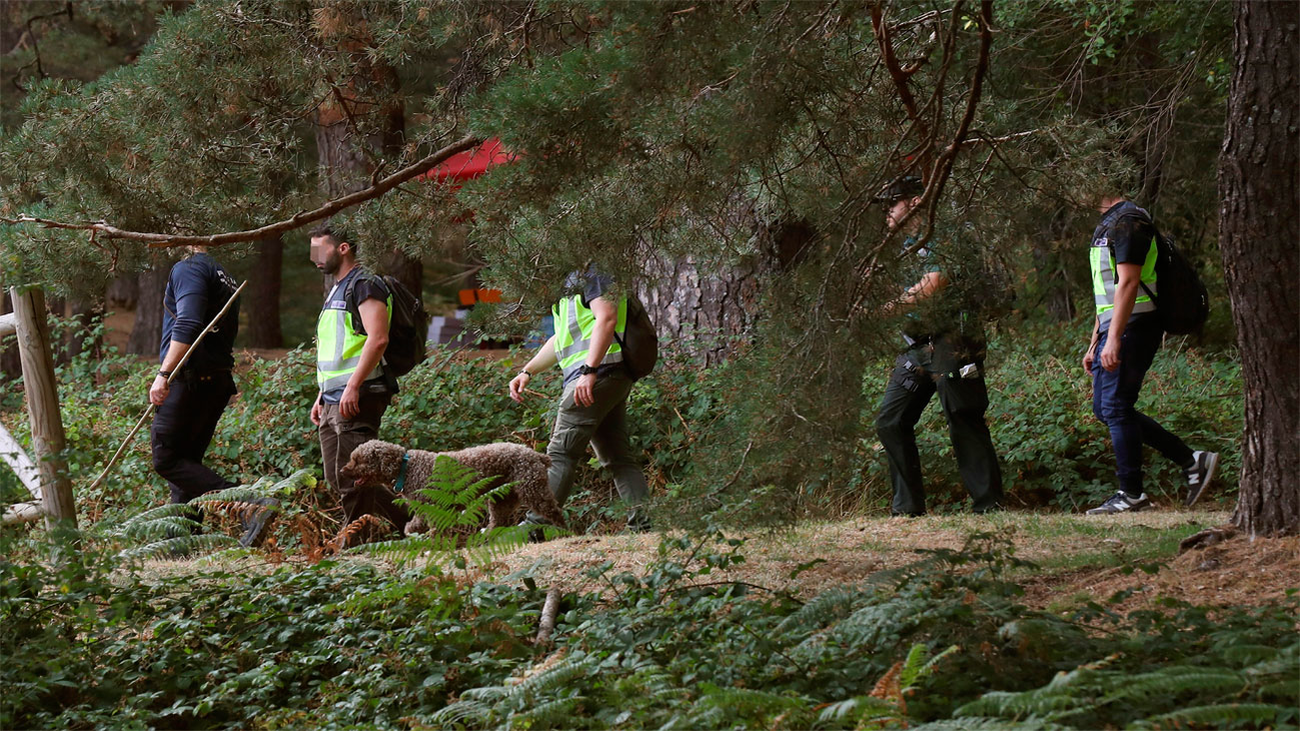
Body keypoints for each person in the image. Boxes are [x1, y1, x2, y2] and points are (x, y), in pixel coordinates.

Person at [872, 177, 1003, 516]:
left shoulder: (946, 233)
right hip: (917, 345)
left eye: (892, 202)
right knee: (891, 420)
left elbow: (934, 284)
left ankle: (988, 506)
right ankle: (907, 508)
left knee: (962, 417)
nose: (886, 210)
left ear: (914, 202)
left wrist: (883, 310)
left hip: (953, 342)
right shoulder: (908, 244)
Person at [1083, 195, 1218, 515]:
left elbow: (1129, 284)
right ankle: (1191, 460)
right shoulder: (1108, 224)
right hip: (1114, 328)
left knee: (1116, 407)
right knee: (1106, 409)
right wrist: (1095, 341)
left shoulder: (1130, 222)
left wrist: (1113, 338)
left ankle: (1131, 493)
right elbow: (1109, 290)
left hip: (1135, 326)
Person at [508, 270, 651, 532]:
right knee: (618, 457)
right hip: (605, 377)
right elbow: (560, 340)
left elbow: (607, 318)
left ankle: (533, 529)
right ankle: (644, 526)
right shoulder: (569, 284)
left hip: (595, 376)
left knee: (560, 454)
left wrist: (589, 370)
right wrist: (526, 371)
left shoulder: (596, 273)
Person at [149, 246, 271, 547]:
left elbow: (189, 323)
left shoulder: (189, 268)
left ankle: (250, 504)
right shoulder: (222, 274)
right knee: (187, 463)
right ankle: (182, 542)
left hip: (190, 379)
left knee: (166, 459)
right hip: (214, 381)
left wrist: (164, 374)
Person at [309, 225, 409, 535]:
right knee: (337, 476)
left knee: (354, 478)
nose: (313, 258)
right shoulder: (336, 290)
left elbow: (377, 339)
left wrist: (352, 386)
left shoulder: (365, 285)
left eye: (319, 249)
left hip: (359, 393)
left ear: (343, 248)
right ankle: (419, 522)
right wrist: (322, 395)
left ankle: (354, 545)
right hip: (332, 397)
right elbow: (336, 348)